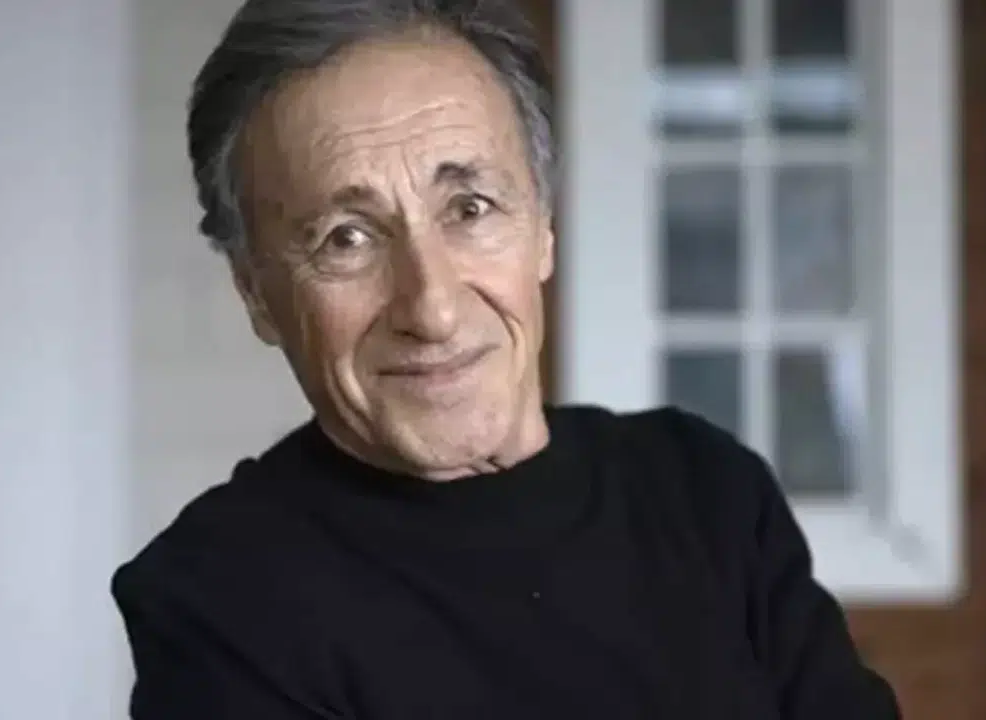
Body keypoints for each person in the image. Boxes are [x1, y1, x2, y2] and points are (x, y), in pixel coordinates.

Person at [111, 1, 901, 717]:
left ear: (543, 228)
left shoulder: (706, 491)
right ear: (257, 294)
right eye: (345, 238)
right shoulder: (219, 601)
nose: (432, 308)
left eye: (470, 208)